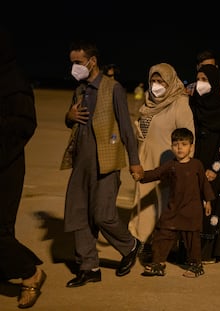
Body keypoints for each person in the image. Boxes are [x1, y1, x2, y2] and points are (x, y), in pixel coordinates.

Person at [61, 40, 144, 288]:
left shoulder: (113, 88)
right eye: (72, 63)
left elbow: (126, 127)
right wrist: (69, 117)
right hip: (81, 163)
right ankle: (89, 267)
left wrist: (134, 162)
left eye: (77, 62)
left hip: (106, 163)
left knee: (103, 215)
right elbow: (71, 119)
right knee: (79, 214)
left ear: (92, 61)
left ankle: (130, 245)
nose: (74, 67)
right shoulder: (79, 90)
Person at [0, 28, 47, 309]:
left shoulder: (13, 82)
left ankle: (30, 273)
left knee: (0, 232)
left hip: (7, 166)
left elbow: (24, 125)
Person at [128, 63, 195, 255]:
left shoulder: (179, 103)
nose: (156, 85)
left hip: (165, 163)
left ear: (170, 82)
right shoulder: (149, 102)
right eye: (153, 81)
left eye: (161, 81)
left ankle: (159, 244)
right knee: (142, 202)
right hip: (144, 160)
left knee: (162, 204)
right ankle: (141, 239)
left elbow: (188, 138)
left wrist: (184, 168)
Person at [140, 128, 215, 278]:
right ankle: (158, 264)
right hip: (173, 209)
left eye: (184, 144)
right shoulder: (171, 165)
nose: (179, 147)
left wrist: (208, 201)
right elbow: (157, 173)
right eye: (175, 144)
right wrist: (141, 175)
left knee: (192, 241)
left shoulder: (197, 165)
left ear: (191, 147)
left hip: (191, 211)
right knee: (162, 234)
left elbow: (204, 184)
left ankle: (196, 266)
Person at [189, 64, 220, 263]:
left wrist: (215, 167)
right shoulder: (193, 104)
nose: (200, 84)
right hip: (195, 159)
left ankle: (210, 250)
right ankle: (191, 249)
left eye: (205, 80)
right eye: (198, 79)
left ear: (214, 82)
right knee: (193, 203)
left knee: (212, 204)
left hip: (215, 161)